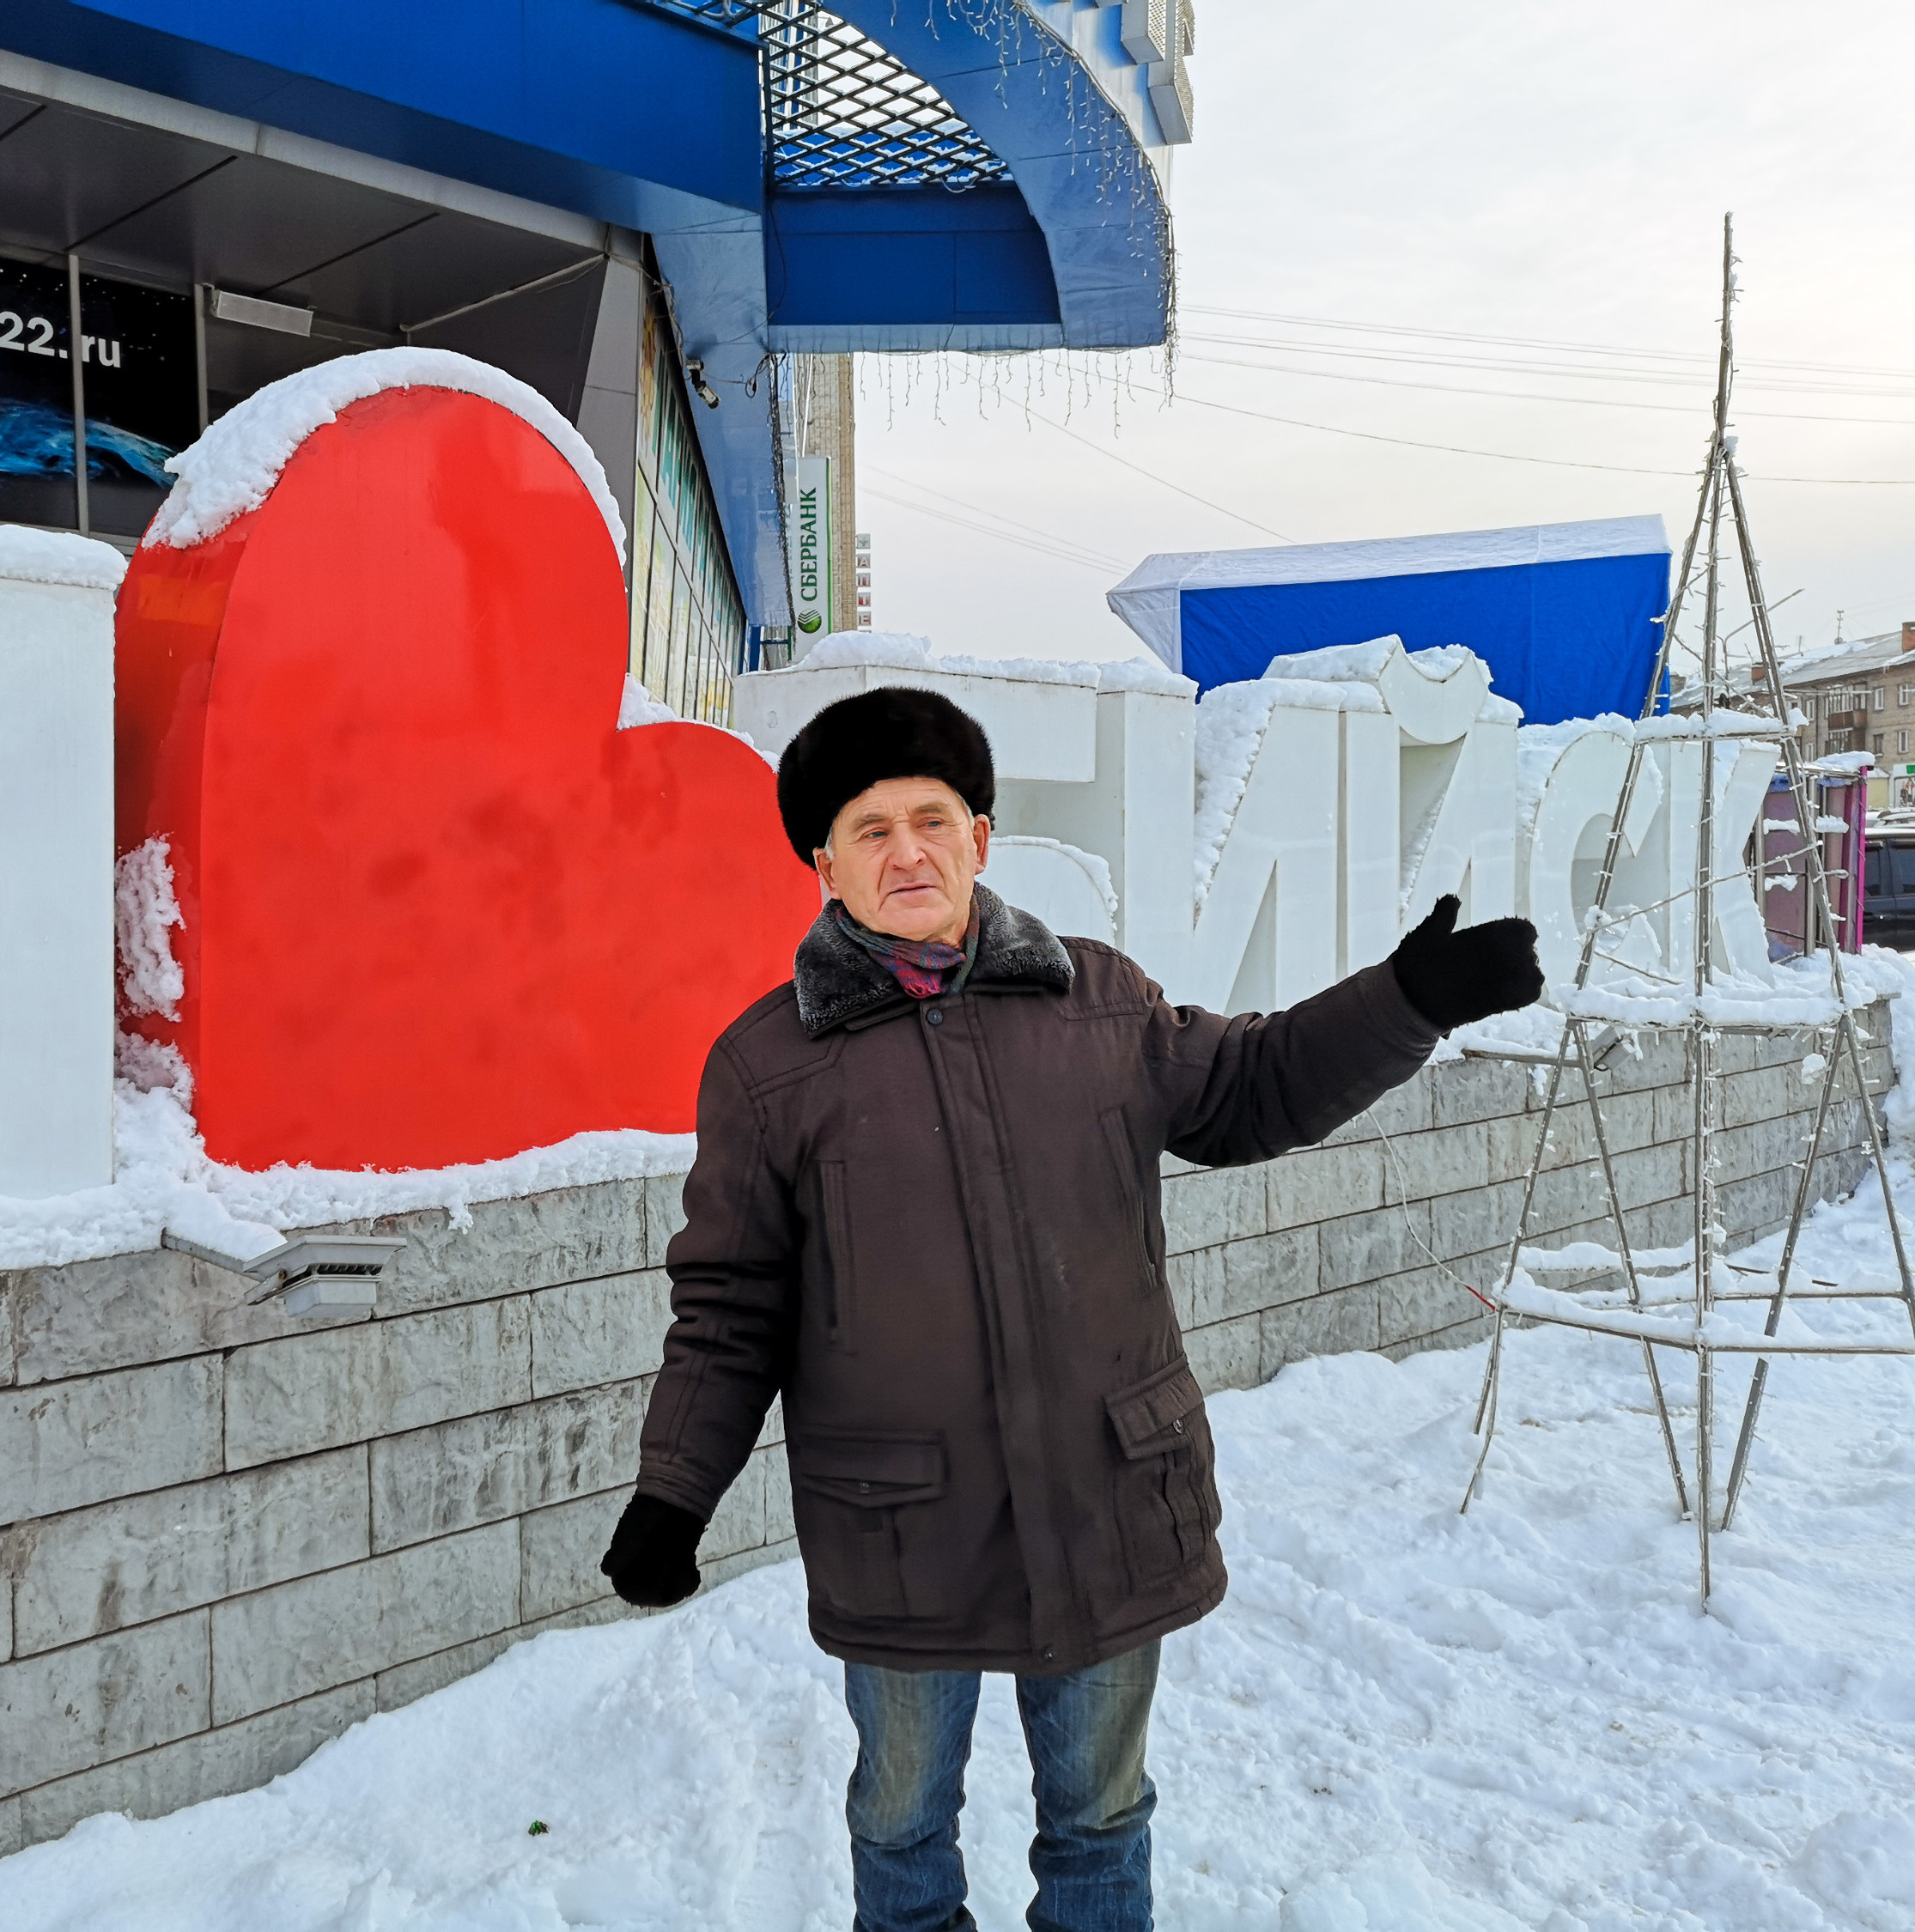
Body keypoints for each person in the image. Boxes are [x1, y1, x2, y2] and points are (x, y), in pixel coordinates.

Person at [601, 687, 1542, 1932]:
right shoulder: (769, 1066)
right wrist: (675, 1489)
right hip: (902, 1528)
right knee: (899, 1822)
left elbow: (1253, 1087)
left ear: (981, 838)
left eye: (931, 819)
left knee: (1100, 1818)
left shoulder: (1098, 1002)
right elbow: (730, 1302)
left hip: (1106, 1502)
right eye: (870, 829)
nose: (907, 852)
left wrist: (1409, 997)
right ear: (821, 862)